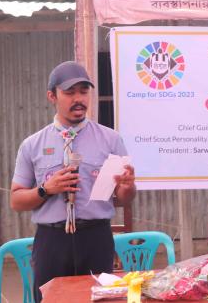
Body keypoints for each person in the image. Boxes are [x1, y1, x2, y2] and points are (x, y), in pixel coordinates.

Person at [10, 61, 136, 303]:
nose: (78, 99)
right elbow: (16, 200)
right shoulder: (32, 145)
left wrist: (127, 187)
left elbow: (124, 198)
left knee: (99, 300)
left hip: (96, 238)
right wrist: (46, 189)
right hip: (52, 241)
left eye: (83, 91)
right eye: (69, 92)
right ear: (52, 96)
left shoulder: (111, 140)